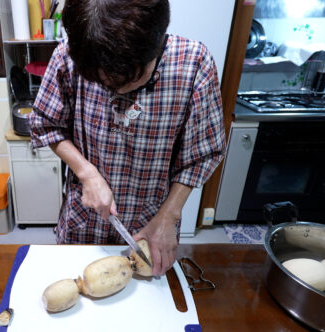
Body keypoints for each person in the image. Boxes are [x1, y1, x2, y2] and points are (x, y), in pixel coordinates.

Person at [28, 0, 226, 276]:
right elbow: (45, 124)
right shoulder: (71, 54)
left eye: (129, 80)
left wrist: (170, 215)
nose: (115, 89)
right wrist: (86, 173)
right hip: (84, 221)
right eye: (103, 82)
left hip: (153, 223)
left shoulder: (193, 63)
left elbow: (204, 153)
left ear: (157, 45)